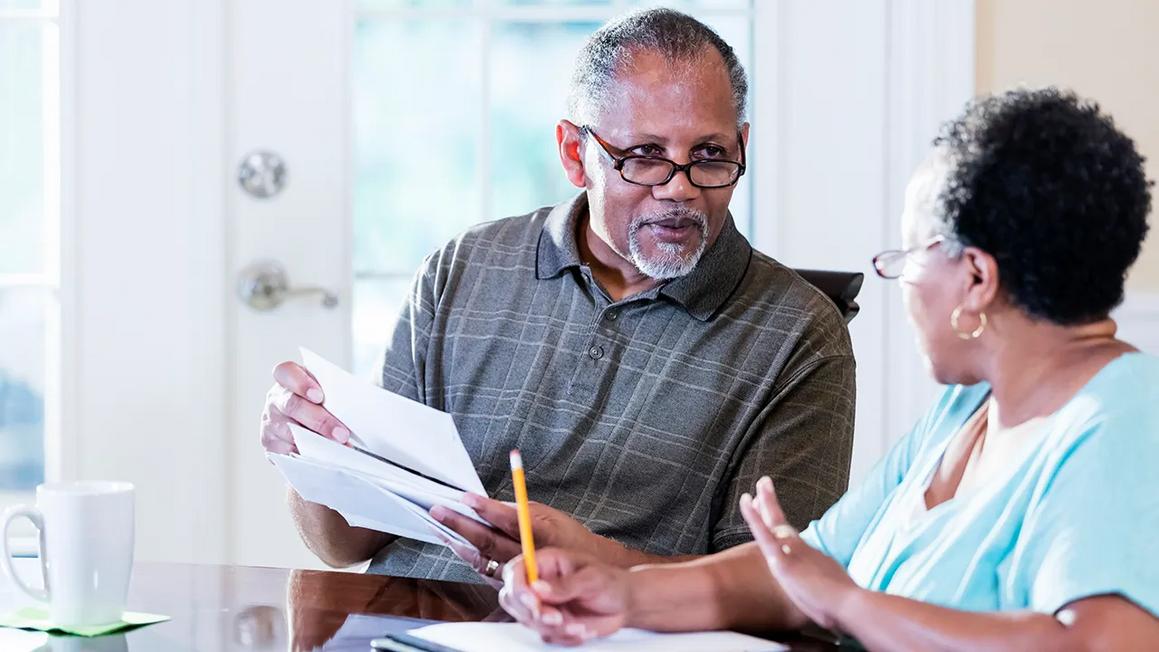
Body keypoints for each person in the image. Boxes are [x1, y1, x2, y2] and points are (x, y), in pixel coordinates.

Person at [499, 87, 1159, 649]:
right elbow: (798, 571)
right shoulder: (967, 412)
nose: (896, 279)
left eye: (905, 256)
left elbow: (1101, 642)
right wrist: (619, 594)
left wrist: (846, 605)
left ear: (976, 278)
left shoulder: (1124, 420)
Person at [258, 9, 857, 583]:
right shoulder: (461, 270)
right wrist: (309, 457)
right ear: (576, 154)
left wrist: (594, 559)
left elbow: (780, 589)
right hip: (410, 624)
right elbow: (344, 544)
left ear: (740, 145)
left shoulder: (800, 335)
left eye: (709, 155)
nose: (680, 189)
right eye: (644, 156)